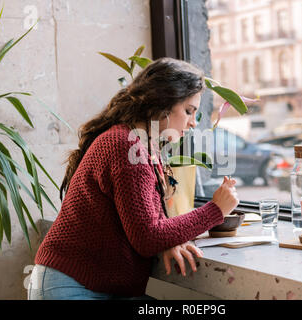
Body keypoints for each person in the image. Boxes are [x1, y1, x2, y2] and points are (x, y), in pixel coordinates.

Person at [28, 57, 239, 300]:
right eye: (188, 111)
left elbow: (147, 223)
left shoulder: (143, 145)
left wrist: (169, 239)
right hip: (69, 286)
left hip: (97, 286)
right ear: (163, 103)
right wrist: (216, 210)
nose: (193, 122)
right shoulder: (126, 145)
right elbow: (147, 237)